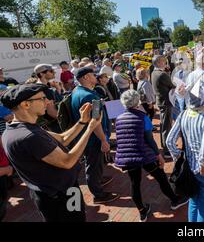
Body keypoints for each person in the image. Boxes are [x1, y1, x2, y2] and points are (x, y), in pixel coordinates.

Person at [1, 84, 103, 222]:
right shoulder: (28, 135)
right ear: (25, 104)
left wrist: (82, 122)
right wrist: (91, 128)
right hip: (58, 196)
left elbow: (63, 139)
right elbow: (67, 161)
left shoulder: (21, 127)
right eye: (42, 98)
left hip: (62, 191)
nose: (48, 101)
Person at [115, 90, 188, 222]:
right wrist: (158, 155)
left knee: (134, 183)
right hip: (144, 155)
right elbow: (149, 139)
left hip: (128, 157)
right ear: (137, 102)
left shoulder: (119, 118)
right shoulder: (143, 117)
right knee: (160, 177)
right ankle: (174, 200)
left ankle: (142, 211)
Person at [166, 82, 204, 222]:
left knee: (194, 200)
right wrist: (203, 165)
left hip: (189, 166)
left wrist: (178, 158)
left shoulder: (183, 115)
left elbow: (169, 141)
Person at [70, 67, 119, 204]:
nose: (95, 77)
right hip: (94, 138)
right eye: (92, 75)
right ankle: (98, 194)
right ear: (85, 77)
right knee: (93, 164)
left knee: (95, 163)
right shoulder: (88, 95)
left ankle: (98, 179)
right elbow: (95, 120)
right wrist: (104, 140)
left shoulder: (80, 91)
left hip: (89, 136)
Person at [151, 55, 176, 159]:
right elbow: (172, 85)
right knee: (167, 126)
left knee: (163, 125)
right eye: (163, 61)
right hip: (166, 102)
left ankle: (164, 145)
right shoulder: (162, 74)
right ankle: (167, 150)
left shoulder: (154, 72)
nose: (165, 62)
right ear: (158, 63)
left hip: (161, 101)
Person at [34, 64, 63, 132]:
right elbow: (51, 112)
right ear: (41, 74)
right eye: (51, 71)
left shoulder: (37, 86)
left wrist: (58, 88)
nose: (54, 72)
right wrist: (66, 121)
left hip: (46, 125)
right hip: (52, 124)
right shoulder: (45, 89)